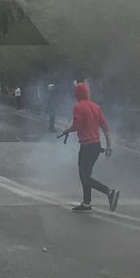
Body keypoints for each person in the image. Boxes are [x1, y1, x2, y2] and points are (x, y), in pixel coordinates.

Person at [59, 82, 119, 213]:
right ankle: (86, 203)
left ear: (77, 94)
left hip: (87, 146)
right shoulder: (96, 107)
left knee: (85, 176)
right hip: (96, 146)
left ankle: (109, 192)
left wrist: (66, 131)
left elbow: (77, 125)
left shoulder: (78, 107)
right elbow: (105, 127)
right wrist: (109, 146)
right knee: (86, 174)